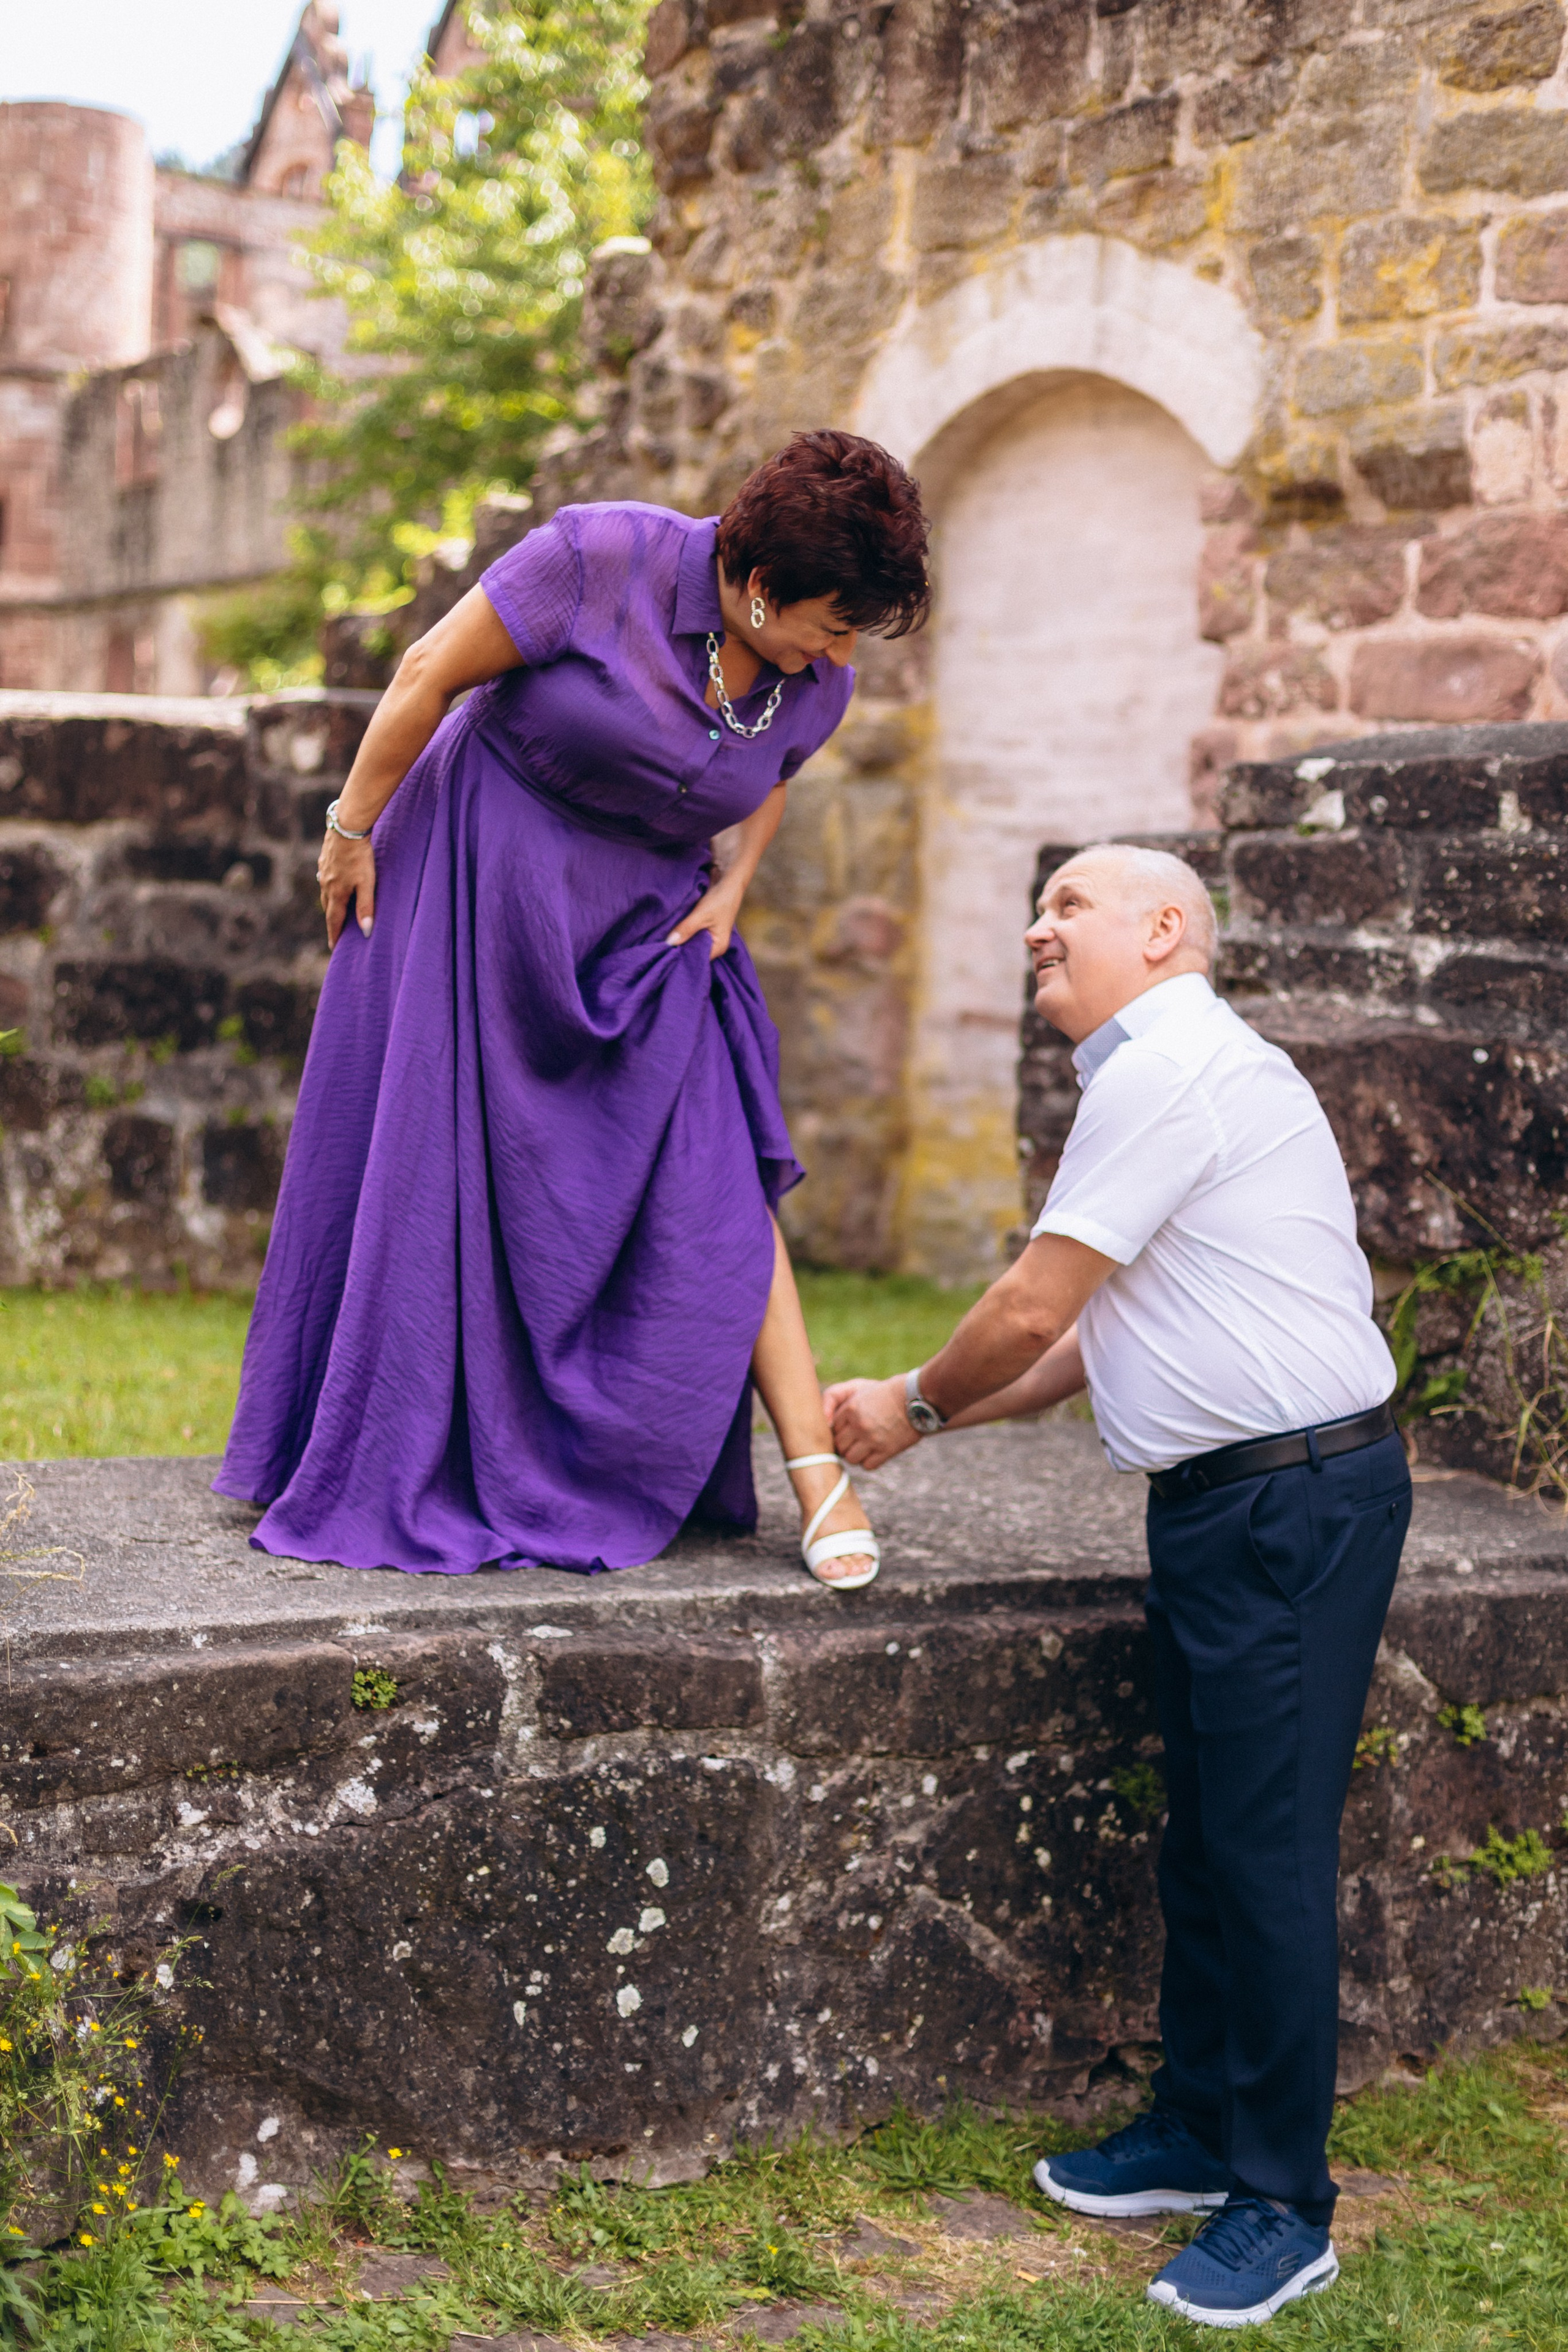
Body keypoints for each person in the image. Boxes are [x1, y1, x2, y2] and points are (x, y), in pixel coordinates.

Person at [827, 842, 1408, 2329]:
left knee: (1264, 1851)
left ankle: (1280, 2200)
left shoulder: (1171, 1065)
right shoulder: (1157, 1077)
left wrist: (912, 1411)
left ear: (1164, 930)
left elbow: (1029, 1299)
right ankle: (1202, 2128)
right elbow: (1082, 1341)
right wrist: (920, 1398)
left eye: (1068, 904)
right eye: (1039, 902)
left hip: (1289, 1500)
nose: (1037, 923)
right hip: (1230, 1503)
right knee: (1209, 1839)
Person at [217, 432, 930, 1585]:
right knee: (436, 1165)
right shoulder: (597, 556)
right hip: (477, 876)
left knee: (717, 1153)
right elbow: (426, 673)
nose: (842, 655)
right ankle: (410, 1441)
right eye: (834, 624)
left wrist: (736, 887)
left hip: (647, 919)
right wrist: (350, 831)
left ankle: (816, 1472)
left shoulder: (816, 680)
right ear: (759, 588)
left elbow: (775, 778)